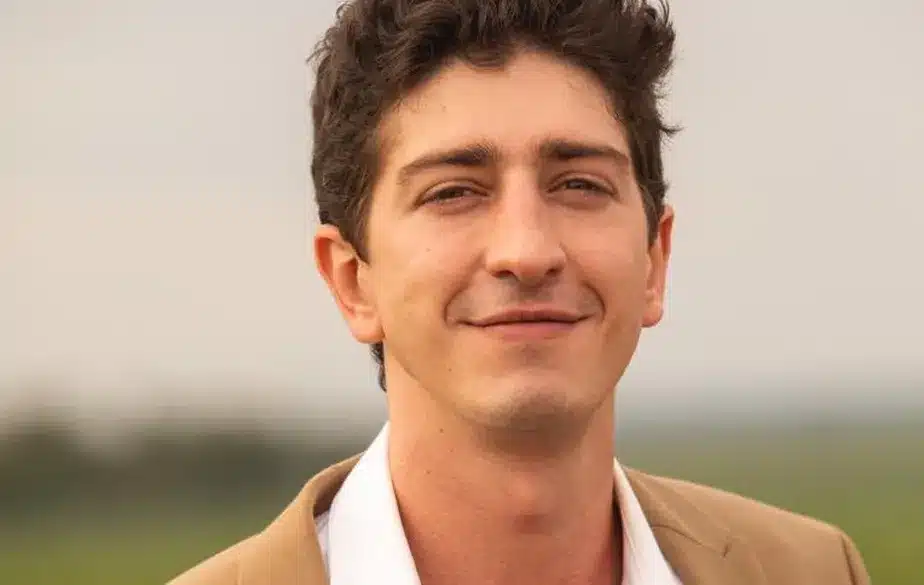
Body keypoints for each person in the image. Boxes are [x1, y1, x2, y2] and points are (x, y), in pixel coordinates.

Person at [170, 1, 871, 584]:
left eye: (579, 184)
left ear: (654, 260)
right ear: (353, 281)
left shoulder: (812, 571)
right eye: (453, 192)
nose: (527, 252)